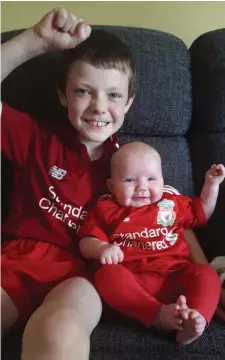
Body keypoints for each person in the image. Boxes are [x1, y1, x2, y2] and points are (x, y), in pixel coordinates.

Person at [0, 7, 220, 360]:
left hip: (84, 276)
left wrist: (205, 268)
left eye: (114, 95)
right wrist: (35, 42)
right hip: (20, 260)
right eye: (84, 91)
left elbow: (172, 217)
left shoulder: (135, 163)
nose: (99, 107)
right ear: (63, 95)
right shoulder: (35, 136)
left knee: (61, 329)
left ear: (129, 101)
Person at [79, 142, 225, 345]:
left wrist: (212, 185)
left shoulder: (170, 202)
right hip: (134, 283)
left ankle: (196, 318)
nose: (142, 187)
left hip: (177, 275)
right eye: (130, 180)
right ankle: (156, 315)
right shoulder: (106, 208)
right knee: (106, 275)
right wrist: (101, 248)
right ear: (111, 186)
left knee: (207, 274)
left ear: (162, 181)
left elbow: (200, 214)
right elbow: (86, 242)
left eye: (151, 179)